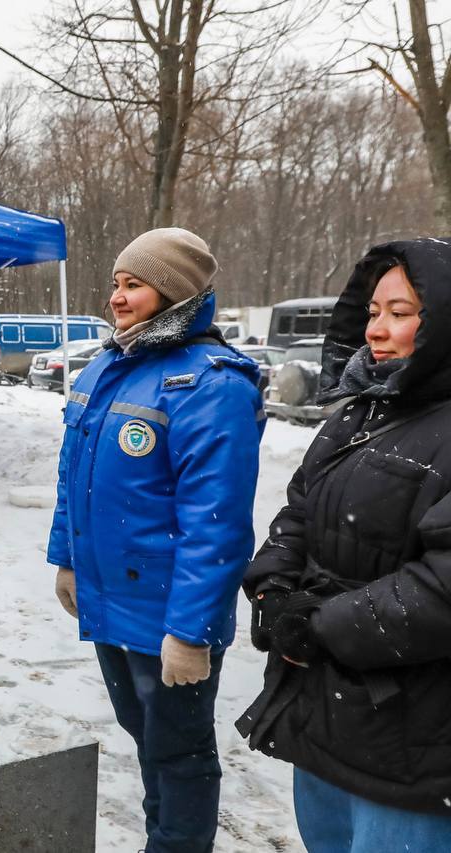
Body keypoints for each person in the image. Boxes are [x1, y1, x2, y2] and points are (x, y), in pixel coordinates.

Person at [47, 228, 264, 853]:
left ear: (172, 293)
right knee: (145, 734)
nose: (117, 297)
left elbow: (216, 523)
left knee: (181, 754)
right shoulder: (110, 366)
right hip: (110, 597)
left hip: (169, 612)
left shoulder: (212, 385)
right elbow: (74, 476)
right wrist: (66, 558)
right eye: (116, 283)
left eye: (133, 284)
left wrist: (191, 632)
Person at [238, 239, 451, 851]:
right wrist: (274, 588)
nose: (378, 330)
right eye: (373, 311)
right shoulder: (360, 410)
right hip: (328, 710)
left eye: (402, 313)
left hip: (416, 741)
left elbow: (442, 587)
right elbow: (300, 507)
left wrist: (323, 625)